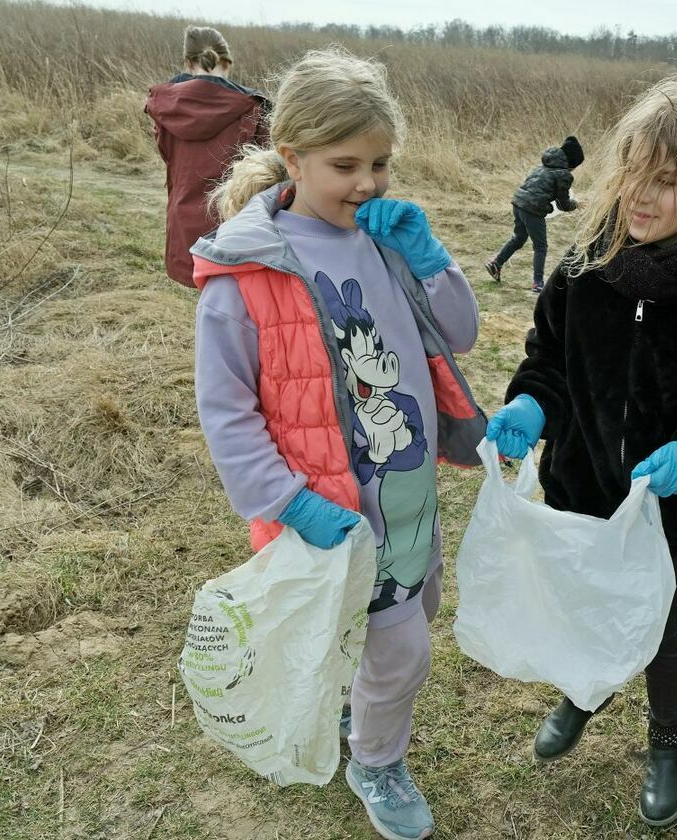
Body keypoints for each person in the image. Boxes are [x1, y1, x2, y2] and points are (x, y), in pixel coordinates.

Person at [485, 73, 677, 828]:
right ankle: (586, 691)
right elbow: (549, 361)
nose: (640, 197)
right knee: (586, 602)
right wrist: (530, 403)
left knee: (655, 624)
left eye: (667, 183)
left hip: (664, 514)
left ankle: (666, 740)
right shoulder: (585, 271)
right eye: (630, 174)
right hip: (579, 489)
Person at [190, 48, 484, 840]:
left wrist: (431, 259)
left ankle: (360, 706)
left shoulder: (387, 240)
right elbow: (226, 411)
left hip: (408, 491)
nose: (368, 183)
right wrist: (286, 502)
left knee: (399, 617)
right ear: (292, 156)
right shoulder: (246, 274)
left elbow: (459, 333)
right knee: (403, 653)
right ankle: (377, 761)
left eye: (381, 163)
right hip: (330, 508)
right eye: (345, 164)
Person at [144, 25, 270, 288]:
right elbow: (267, 171)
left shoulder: (163, 107)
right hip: (232, 225)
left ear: (188, 62)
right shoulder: (252, 108)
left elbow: (170, 158)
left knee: (203, 305)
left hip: (183, 224)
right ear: (227, 61)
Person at [484, 136, 583, 292]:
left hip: (518, 203)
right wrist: (576, 205)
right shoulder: (564, 175)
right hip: (533, 210)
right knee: (541, 246)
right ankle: (538, 283)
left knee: (519, 238)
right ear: (572, 162)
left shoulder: (543, 165)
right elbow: (563, 204)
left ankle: (496, 264)